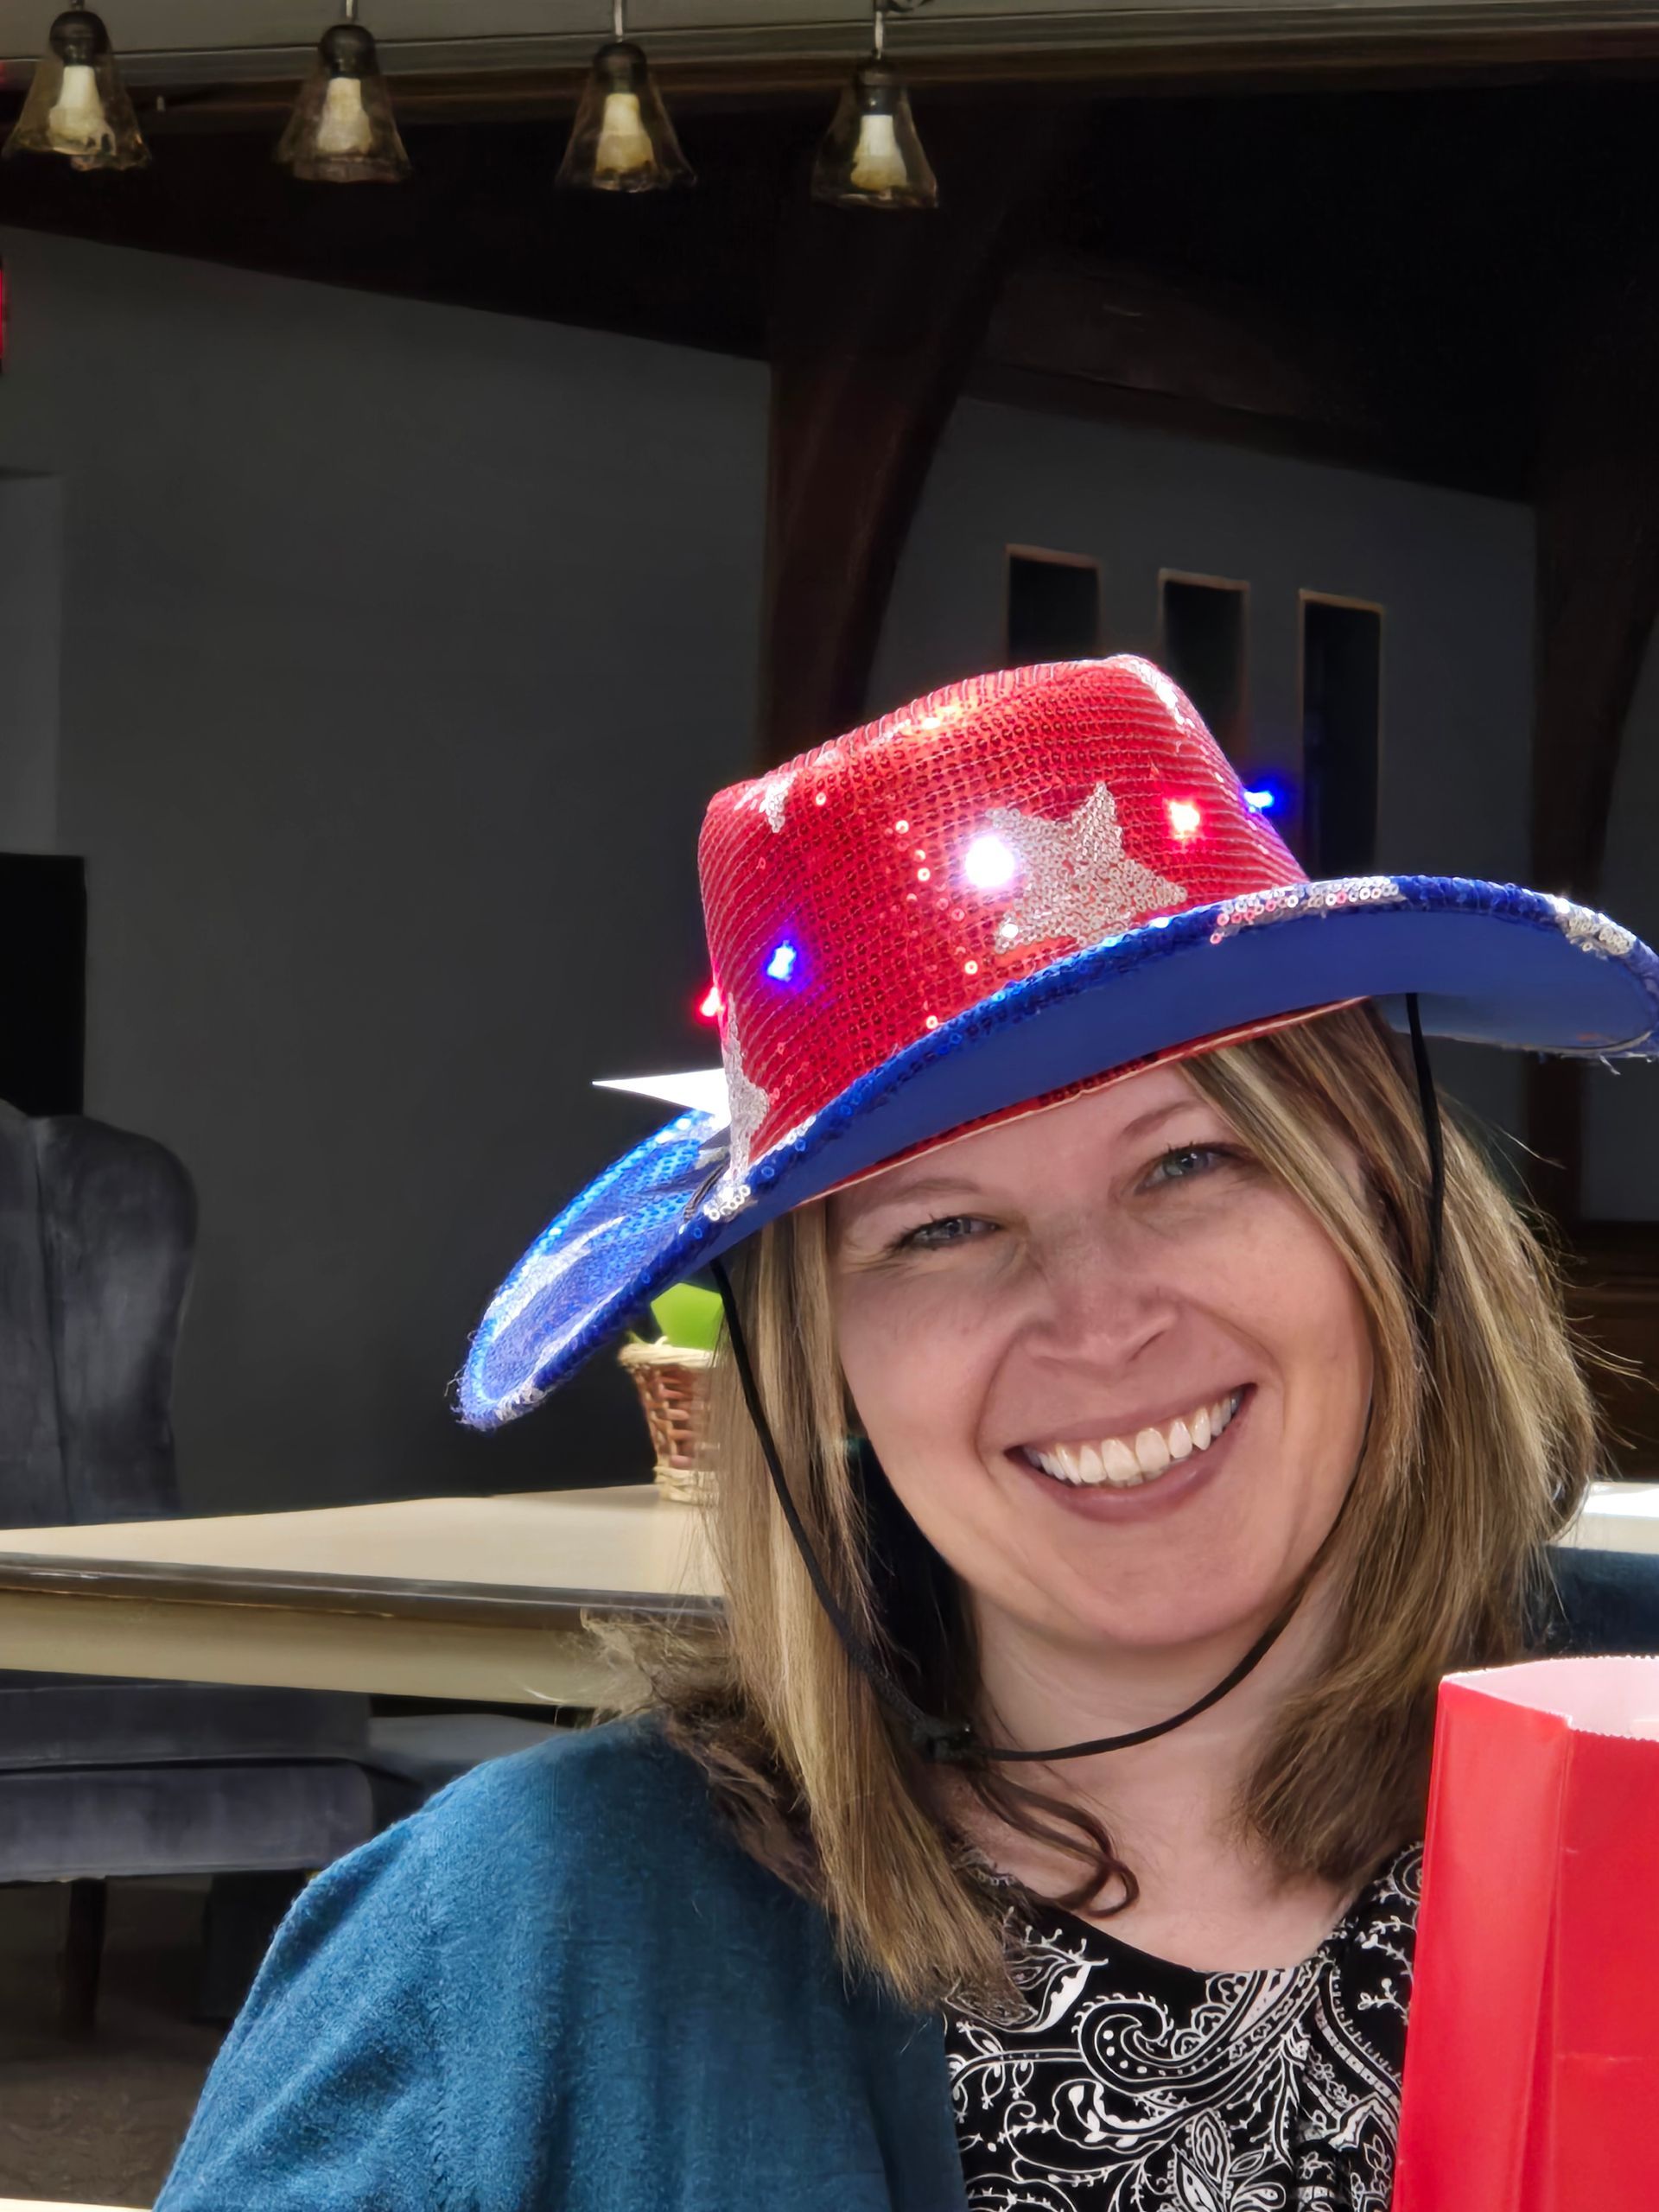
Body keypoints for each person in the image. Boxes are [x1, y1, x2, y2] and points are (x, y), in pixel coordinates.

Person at [156, 658, 1659, 2211]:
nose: (1096, 1318)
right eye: (939, 1230)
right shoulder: (523, 1939)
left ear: (1385, 1198)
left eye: (1189, 1161)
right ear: (821, 1365)